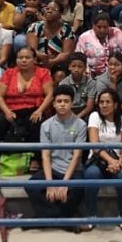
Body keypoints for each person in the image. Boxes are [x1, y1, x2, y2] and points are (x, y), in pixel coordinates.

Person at [24, 85, 87, 225]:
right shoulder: (46, 125)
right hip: (53, 169)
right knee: (31, 186)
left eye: (66, 101)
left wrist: (64, 184)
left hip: (73, 171)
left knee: (78, 188)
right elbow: (45, 155)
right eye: (59, 101)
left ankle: (44, 218)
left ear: (72, 103)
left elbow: (77, 156)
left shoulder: (80, 124)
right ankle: (63, 219)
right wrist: (50, 183)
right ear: (53, 103)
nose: (62, 104)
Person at [83, 88, 122, 228]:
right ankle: (91, 216)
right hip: (98, 159)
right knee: (91, 174)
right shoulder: (94, 116)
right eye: (101, 102)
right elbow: (95, 145)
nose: (104, 105)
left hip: (117, 159)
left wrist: (118, 162)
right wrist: (111, 161)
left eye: (108, 102)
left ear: (115, 104)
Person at [0, 47, 54, 147]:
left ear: (34, 59)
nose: (23, 60)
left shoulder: (43, 73)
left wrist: (40, 110)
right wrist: (7, 111)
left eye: (27, 57)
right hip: (11, 110)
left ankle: (36, 158)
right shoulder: (9, 73)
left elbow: (50, 95)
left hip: (34, 109)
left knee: (37, 122)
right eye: (20, 58)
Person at [76, 12, 122, 77]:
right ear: (93, 26)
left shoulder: (117, 33)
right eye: (99, 27)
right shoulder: (84, 38)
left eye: (105, 27)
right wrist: (87, 74)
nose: (102, 30)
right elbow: (79, 58)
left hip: (117, 73)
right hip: (92, 75)